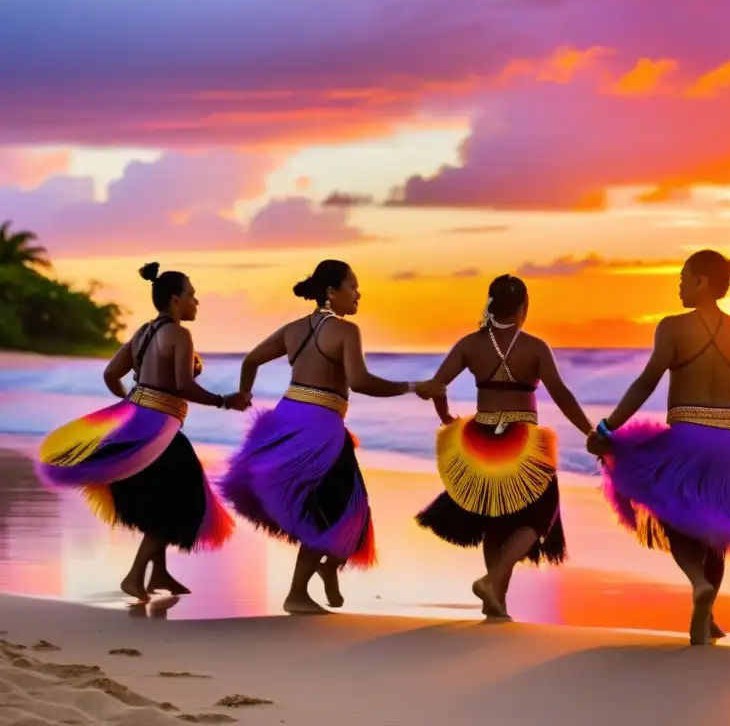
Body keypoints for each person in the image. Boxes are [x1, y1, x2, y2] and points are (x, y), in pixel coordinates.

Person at [586, 250, 730, 645]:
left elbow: (646, 383)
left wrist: (608, 427)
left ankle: (698, 584)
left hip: (688, 434)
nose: (678, 284)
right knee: (718, 526)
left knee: (673, 517)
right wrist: (725, 388)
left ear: (703, 282)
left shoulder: (672, 328)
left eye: (684, 276)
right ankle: (707, 615)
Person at [218, 259, 445, 614]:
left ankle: (322, 572)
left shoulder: (293, 329)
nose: (358, 294)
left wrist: (245, 395)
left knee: (323, 509)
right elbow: (360, 382)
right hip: (319, 430)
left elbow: (251, 360)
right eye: (352, 286)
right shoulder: (345, 331)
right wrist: (412, 385)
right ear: (330, 292)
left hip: (286, 419)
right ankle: (299, 592)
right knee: (341, 512)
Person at [35, 263, 248, 603]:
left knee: (160, 501)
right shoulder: (179, 334)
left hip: (140, 423)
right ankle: (135, 577)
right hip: (158, 429)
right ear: (176, 300)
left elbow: (110, 374)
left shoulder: (143, 333)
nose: (197, 302)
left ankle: (159, 573)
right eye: (192, 295)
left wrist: (133, 405)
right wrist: (225, 401)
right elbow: (181, 384)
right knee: (181, 502)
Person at [415, 274, 592, 620]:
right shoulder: (536, 346)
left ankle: (495, 602)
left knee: (494, 522)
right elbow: (561, 393)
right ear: (524, 306)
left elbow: (437, 384)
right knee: (541, 516)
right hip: (523, 440)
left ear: (491, 303)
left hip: (480, 439)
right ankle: (493, 581)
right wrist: (589, 431)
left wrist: (447, 417)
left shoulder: (470, 344)